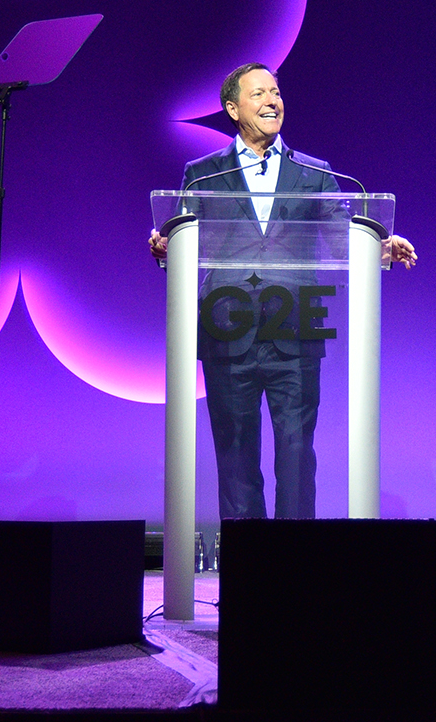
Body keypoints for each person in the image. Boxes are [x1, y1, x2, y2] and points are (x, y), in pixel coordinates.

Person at [149, 63, 417, 519]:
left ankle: (295, 578)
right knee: (235, 460)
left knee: (296, 457)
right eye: (258, 94)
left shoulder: (312, 173)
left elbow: (339, 237)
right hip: (226, 332)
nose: (272, 100)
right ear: (233, 108)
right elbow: (179, 237)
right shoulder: (202, 175)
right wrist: (163, 245)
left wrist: (379, 247)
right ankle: (249, 577)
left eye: (275, 92)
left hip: (294, 331)